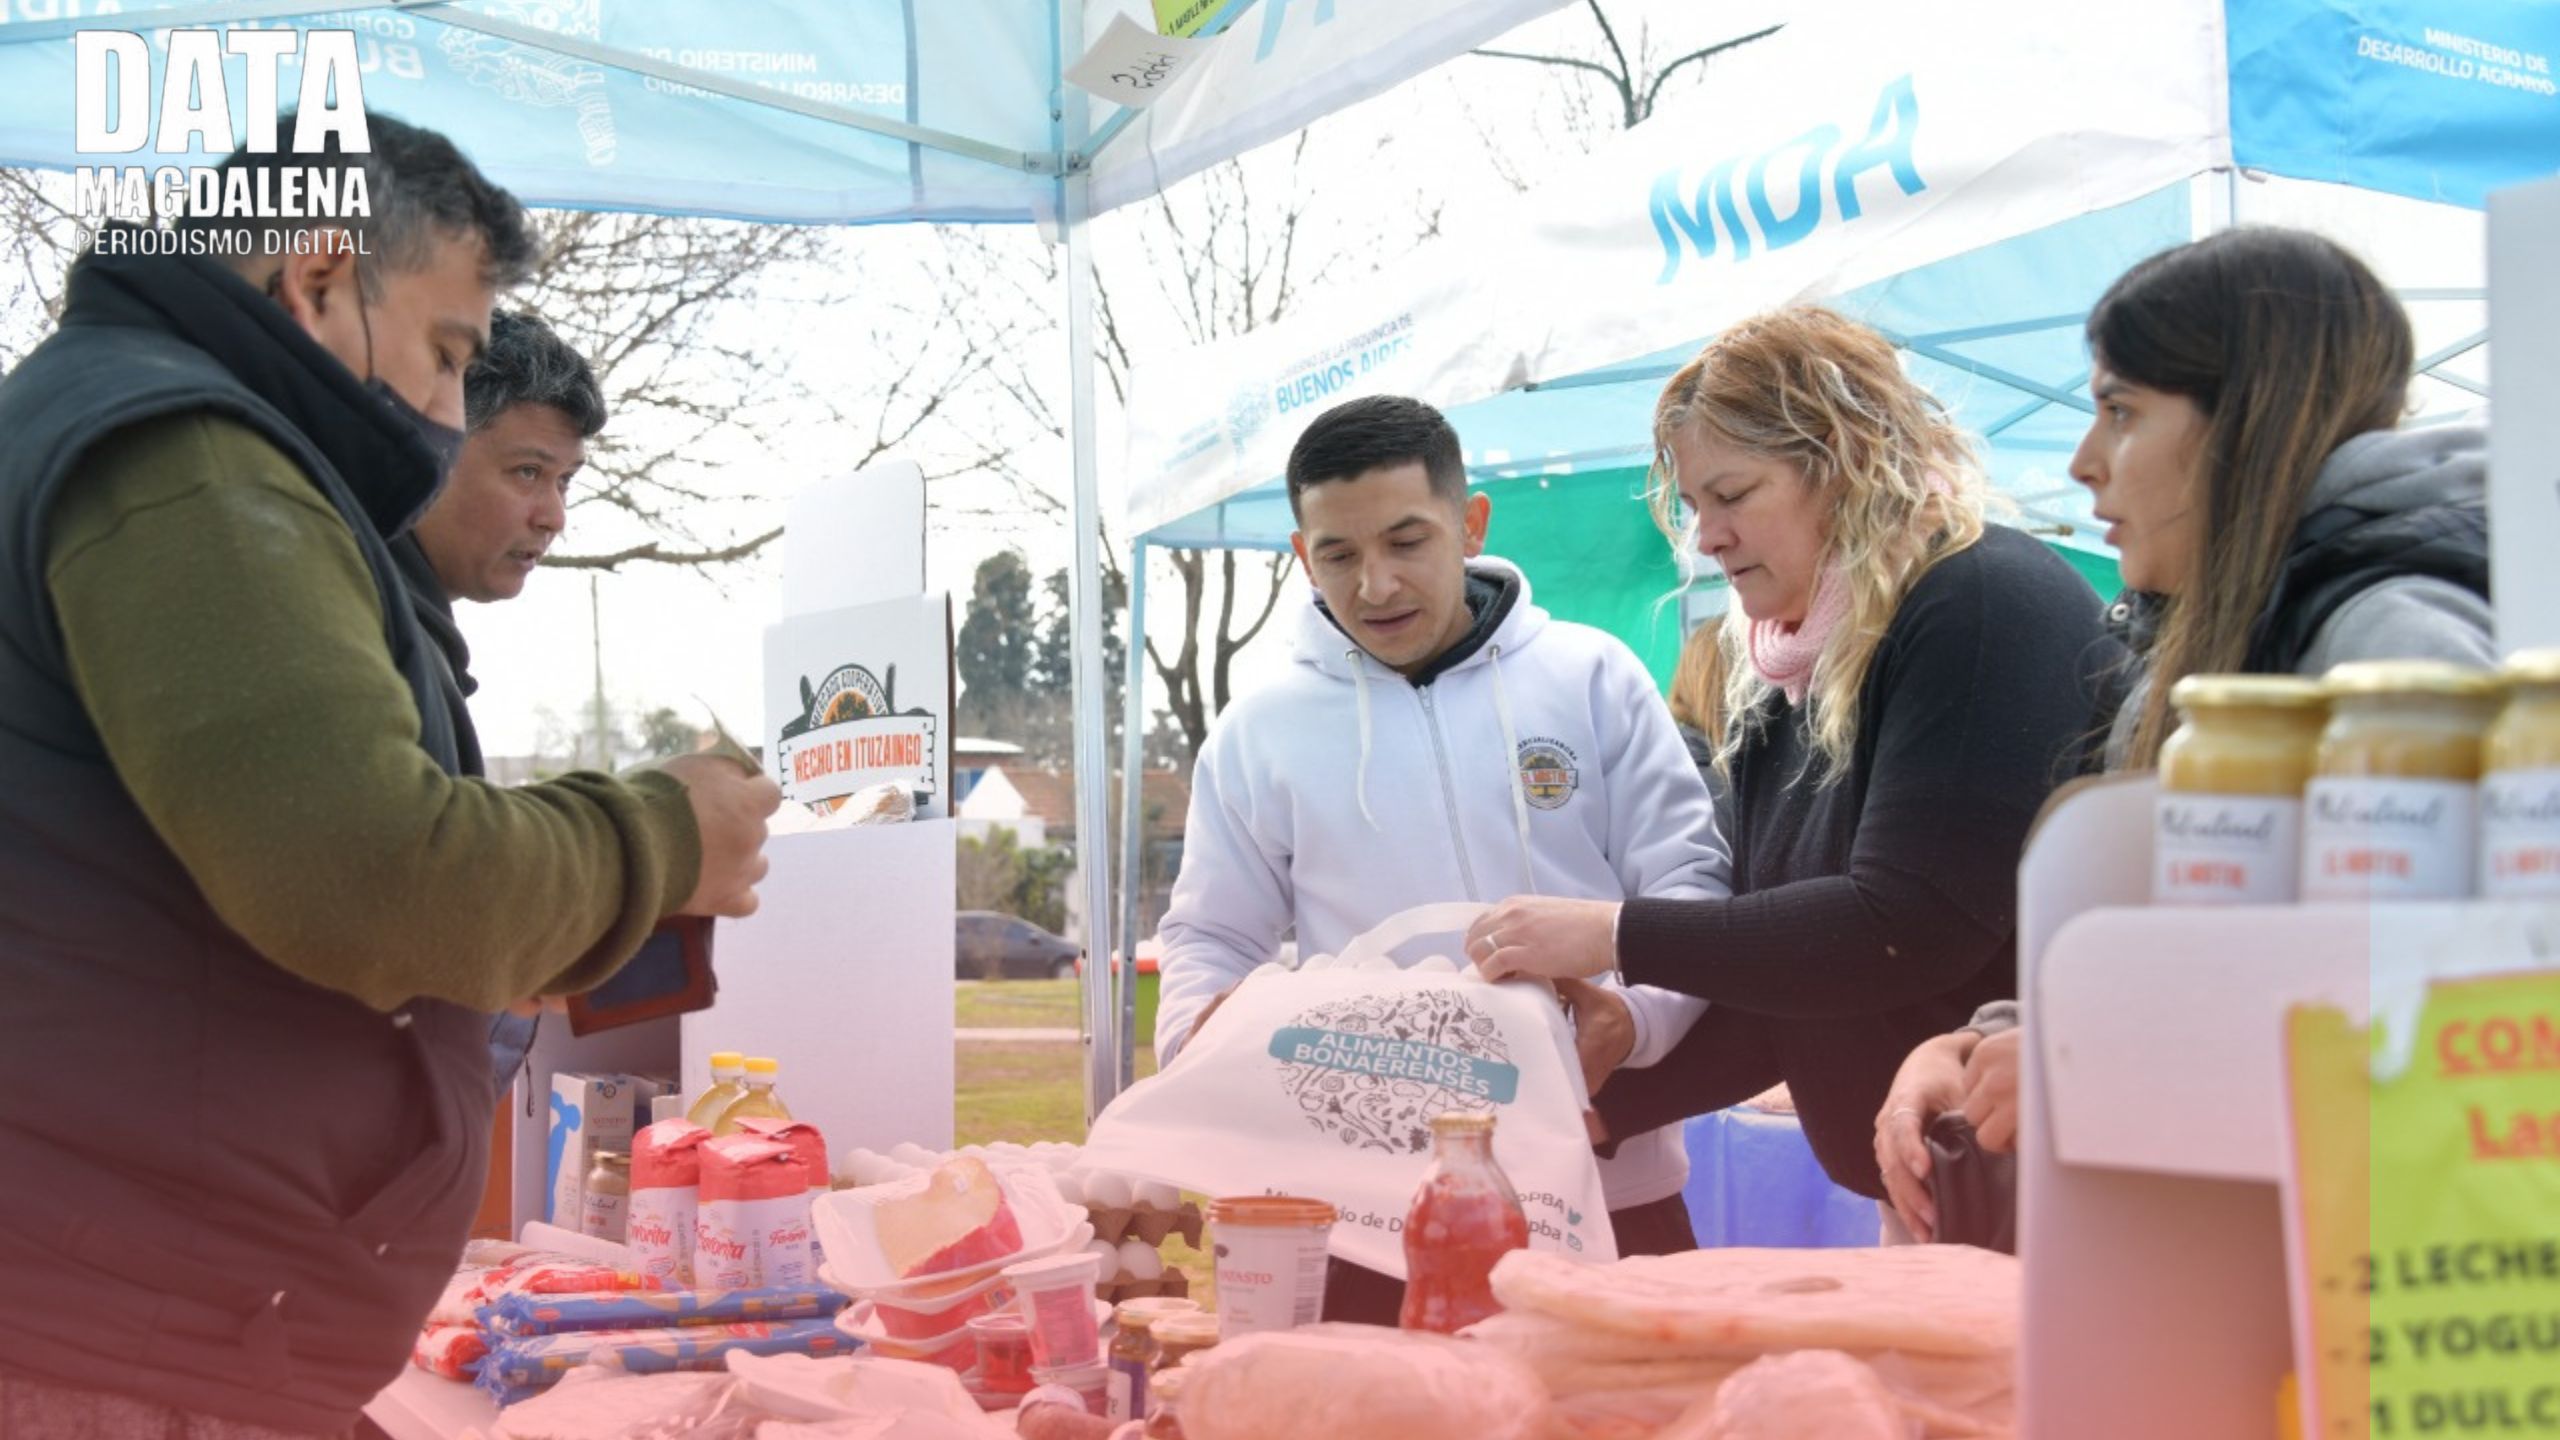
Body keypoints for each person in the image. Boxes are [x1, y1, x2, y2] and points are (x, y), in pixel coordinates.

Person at [0, 115, 779, 1436]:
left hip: (156, 1326)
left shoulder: (151, 432)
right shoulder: (180, 454)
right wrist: (659, 835)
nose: (442, 411)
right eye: (446, 354)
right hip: (118, 1347)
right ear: (317, 279)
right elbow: (365, 871)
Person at [1871, 226, 2494, 1240]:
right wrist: (1986, 1043)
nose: (2082, 463)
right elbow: (2205, 947)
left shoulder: (2390, 643)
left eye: (2120, 411)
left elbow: (2459, 1009)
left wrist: (2099, 1060)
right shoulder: (2209, 640)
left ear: (2251, 419)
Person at [1467, 307, 2121, 1215]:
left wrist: (1611, 932)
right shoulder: (1795, 663)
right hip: (1946, 1195)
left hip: (2054, 1195)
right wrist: (1596, 1114)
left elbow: (1908, 924)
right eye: (1695, 506)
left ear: (1845, 461)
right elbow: (1787, 984)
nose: (1707, 538)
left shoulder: (1975, 603)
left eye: (1733, 495)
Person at [1153, 394, 1731, 1320]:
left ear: (1469, 525)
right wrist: (1201, 1038)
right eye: (1338, 555)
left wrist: (1634, 1022)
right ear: (1302, 555)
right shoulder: (1259, 732)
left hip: (1610, 1184)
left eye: (1406, 541)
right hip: (1370, 1221)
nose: (1374, 584)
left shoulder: (1593, 677)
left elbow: (1691, 890)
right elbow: (1209, 938)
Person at [391, 310, 609, 1086]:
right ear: (429, 447)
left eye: (564, 482)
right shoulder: (363, 630)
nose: (553, 515)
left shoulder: (412, 632)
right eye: (527, 472)